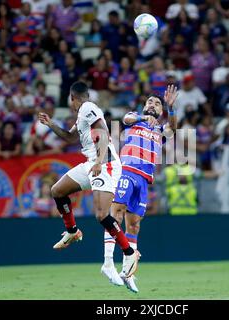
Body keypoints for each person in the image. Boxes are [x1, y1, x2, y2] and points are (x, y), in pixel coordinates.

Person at [38, 81, 140, 279]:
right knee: (57, 191)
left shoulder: (88, 108)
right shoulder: (83, 112)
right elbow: (69, 137)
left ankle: (129, 253)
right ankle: (72, 230)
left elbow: (102, 130)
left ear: (72, 97)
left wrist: (99, 161)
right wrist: (51, 124)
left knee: (102, 215)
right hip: (92, 163)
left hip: (106, 163)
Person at [101, 85, 178, 293]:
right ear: (144, 106)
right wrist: (144, 119)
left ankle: (128, 273)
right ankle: (108, 262)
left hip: (144, 180)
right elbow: (126, 119)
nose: (153, 105)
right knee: (115, 213)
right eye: (150, 102)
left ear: (161, 111)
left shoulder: (161, 130)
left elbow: (173, 128)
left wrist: (171, 109)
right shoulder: (134, 118)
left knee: (134, 226)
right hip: (127, 171)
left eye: (157, 103)